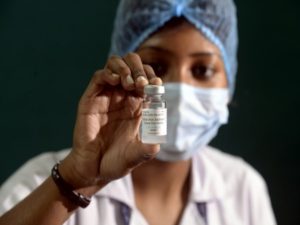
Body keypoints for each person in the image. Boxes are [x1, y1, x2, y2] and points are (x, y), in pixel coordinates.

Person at [0, 0, 277, 224]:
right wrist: (77, 181)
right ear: (123, 70)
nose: (179, 87)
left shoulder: (242, 188)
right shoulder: (45, 186)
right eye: (156, 67)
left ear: (229, 82)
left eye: (202, 70)